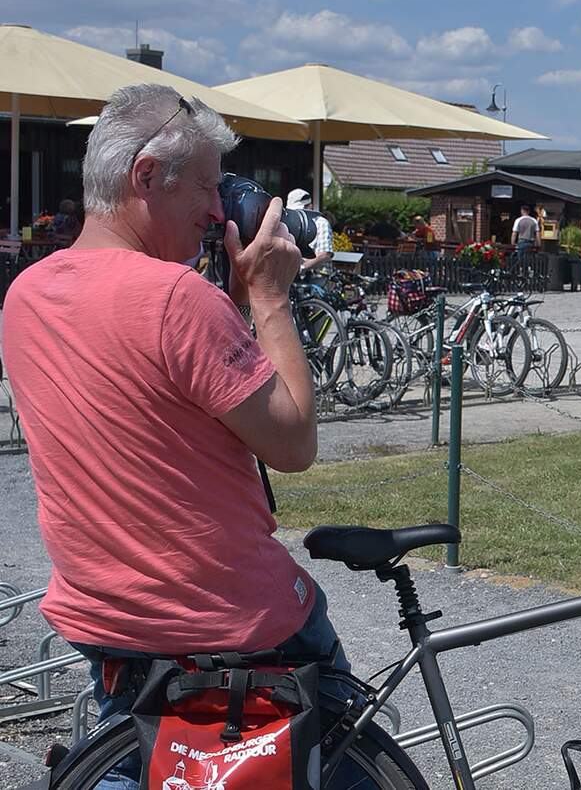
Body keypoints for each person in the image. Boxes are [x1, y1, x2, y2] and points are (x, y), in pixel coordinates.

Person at [2, 84, 351, 785]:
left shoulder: (27, 295)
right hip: (230, 624)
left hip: (110, 622)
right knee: (348, 761)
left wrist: (226, 301)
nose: (219, 210)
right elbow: (292, 446)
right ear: (146, 175)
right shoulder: (176, 299)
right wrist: (270, 299)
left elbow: (162, 396)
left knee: (138, 764)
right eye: (205, 186)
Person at [286, 188, 334, 272]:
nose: (298, 213)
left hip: (318, 275)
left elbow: (325, 254)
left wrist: (302, 268)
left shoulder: (321, 223)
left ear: (310, 206)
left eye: (301, 210)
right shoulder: (292, 224)